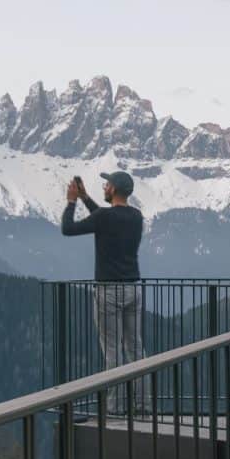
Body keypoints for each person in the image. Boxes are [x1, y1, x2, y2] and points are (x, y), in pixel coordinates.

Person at [63, 171, 147, 411]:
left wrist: (71, 201)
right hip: (133, 288)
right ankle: (143, 403)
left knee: (112, 349)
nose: (104, 187)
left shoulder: (104, 217)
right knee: (135, 347)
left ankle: (116, 406)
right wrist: (86, 198)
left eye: (107, 184)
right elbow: (106, 219)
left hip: (108, 290)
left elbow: (67, 229)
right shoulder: (136, 216)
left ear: (113, 189)